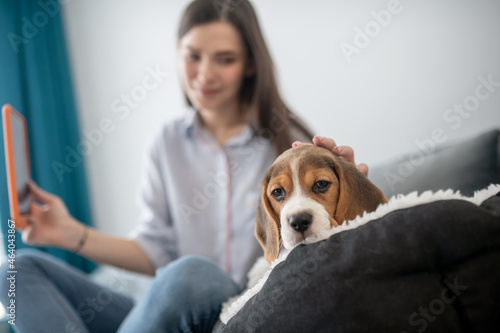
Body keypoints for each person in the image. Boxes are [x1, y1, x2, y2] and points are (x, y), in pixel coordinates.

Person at [0, 0, 368, 332]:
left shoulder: (288, 143)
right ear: (178, 54)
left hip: (231, 308)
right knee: (14, 271)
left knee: (190, 272)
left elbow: (321, 235)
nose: (204, 74)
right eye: (193, 56)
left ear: (250, 64)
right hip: (166, 307)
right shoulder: (167, 142)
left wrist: (353, 205)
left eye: (225, 59)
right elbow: (156, 251)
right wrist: (70, 233)